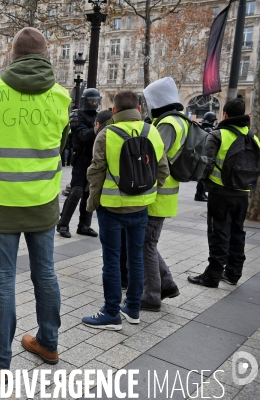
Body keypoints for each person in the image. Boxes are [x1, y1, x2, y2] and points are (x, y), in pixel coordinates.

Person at [0, 27, 70, 382]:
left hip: (1, 200)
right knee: (46, 273)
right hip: (42, 200)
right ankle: (48, 343)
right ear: (45, 55)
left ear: (13, 56)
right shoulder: (61, 97)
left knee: (4, 280)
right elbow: (61, 145)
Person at [82, 90, 169, 330]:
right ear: (139, 109)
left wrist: (92, 203)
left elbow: (96, 172)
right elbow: (163, 169)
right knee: (136, 258)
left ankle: (111, 313)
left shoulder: (106, 134)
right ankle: (132, 308)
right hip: (141, 208)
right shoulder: (152, 131)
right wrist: (147, 191)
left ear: (113, 111)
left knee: (111, 261)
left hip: (111, 208)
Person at [188, 98, 260, 288]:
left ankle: (212, 276)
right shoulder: (253, 137)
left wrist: (203, 182)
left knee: (218, 233)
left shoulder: (219, 135)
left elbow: (206, 162)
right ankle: (233, 273)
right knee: (238, 233)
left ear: (225, 115)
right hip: (243, 194)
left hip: (220, 193)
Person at [139, 77, 183, 311]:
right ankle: (166, 284)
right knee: (149, 244)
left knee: (146, 245)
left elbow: (154, 155)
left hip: (158, 195)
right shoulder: (178, 121)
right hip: (164, 194)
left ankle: (152, 295)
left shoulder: (167, 124)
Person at [56, 88, 102, 238]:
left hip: (94, 158)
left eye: (96, 101)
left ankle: (84, 225)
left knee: (90, 193)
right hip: (81, 158)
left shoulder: (98, 116)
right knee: (76, 190)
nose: (94, 103)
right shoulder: (77, 115)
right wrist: (96, 130)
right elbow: (82, 135)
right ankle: (63, 224)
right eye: (91, 101)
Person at [194, 112, 217, 202]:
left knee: (203, 175)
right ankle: (200, 193)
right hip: (204, 155)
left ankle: (201, 193)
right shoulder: (207, 129)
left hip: (201, 154)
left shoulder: (202, 127)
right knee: (203, 176)